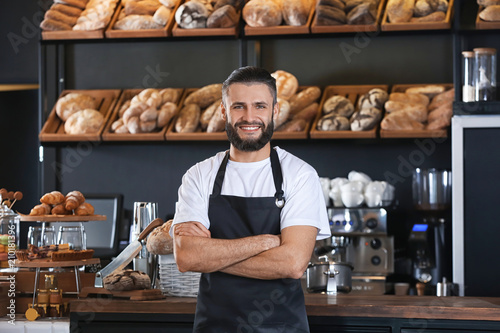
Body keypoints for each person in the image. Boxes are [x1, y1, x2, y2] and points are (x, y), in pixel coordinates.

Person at [171, 66, 331, 333]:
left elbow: (292, 264)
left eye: (259, 106)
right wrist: (265, 242)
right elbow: (187, 257)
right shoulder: (199, 175)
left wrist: (212, 255)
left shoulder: (300, 175)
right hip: (215, 327)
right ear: (224, 111)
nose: (249, 117)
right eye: (238, 107)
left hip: (281, 327)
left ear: (275, 111)